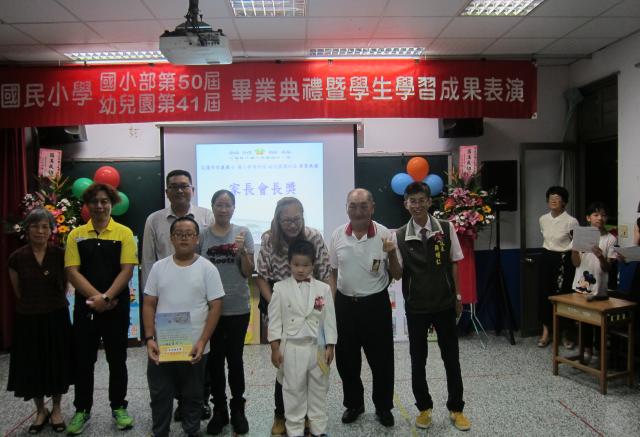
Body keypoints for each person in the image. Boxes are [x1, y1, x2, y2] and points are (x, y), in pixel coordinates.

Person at [395, 181, 471, 431]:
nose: (417, 205)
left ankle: (456, 408)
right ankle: (424, 408)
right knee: (418, 360)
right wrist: (389, 254)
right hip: (416, 307)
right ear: (405, 204)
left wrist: (457, 297)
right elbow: (397, 273)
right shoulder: (399, 235)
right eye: (412, 201)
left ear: (429, 202)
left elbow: (454, 263)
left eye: (421, 200)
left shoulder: (446, 228)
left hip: (444, 304)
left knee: (452, 359)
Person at [64, 183, 138, 435]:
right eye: (94, 201)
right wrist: (97, 299)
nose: (99, 206)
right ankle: (82, 409)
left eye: (104, 201)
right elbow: (72, 272)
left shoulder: (124, 233)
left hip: (117, 306)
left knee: (117, 360)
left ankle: (119, 407)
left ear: (112, 203)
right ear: (87, 205)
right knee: (84, 361)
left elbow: (127, 270)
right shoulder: (75, 235)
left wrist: (106, 298)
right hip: (86, 308)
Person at [255, 197, 331, 435]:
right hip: (280, 299)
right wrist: (276, 303)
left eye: (296, 219)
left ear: (303, 216)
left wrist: (326, 307)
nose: (292, 224)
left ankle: (309, 419)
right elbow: (261, 276)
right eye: (286, 220)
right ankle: (282, 416)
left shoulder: (314, 237)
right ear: (278, 219)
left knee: (314, 371)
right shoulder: (269, 240)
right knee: (285, 368)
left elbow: (326, 274)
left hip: (311, 305)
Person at [141, 169, 214, 420]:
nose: (180, 190)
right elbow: (148, 260)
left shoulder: (206, 216)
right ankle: (178, 403)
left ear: (192, 189)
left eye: (184, 186)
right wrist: (150, 299)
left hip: (196, 297)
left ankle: (198, 402)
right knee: (172, 355)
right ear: (167, 191)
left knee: (198, 355)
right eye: (174, 186)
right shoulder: (154, 220)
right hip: (166, 301)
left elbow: (209, 255)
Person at [143, 216, 224, 437]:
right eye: (179, 234)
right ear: (171, 239)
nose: (184, 238)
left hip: (195, 347)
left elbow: (216, 306)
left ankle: (192, 431)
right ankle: (160, 432)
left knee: (193, 395)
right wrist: (149, 338)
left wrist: (203, 341)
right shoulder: (159, 268)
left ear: (197, 238)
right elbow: (149, 303)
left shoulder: (207, 269)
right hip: (163, 346)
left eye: (189, 234)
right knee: (160, 394)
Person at [328, 188, 401, 427]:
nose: (358, 211)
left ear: (372, 208)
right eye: (353, 206)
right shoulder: (337, 234)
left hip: (375, 305)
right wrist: (332, 303)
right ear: (346, 208)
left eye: (363, 206)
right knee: (346, 360)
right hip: (345, 305)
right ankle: (354, 404)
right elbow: (333, 272)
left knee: (382, 360)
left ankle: (383, 406)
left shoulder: (385, 234)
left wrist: (391, 254)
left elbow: (397, 273)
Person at [7, 208, 73, 434]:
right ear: (27, 229)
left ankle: (56, 409)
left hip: (56, 316)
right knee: (33, 365)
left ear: (51, 230)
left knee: (56, 364)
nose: (40, 231)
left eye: (45, 226)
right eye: (35, 226)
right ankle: (40, 410)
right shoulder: (17, 258)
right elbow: (18, 291)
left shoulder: (60, 254)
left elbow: (65, 286)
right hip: (28, 319)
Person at [268, 239, 337, 437]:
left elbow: (329, 319)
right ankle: (295, 430)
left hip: (317, 347)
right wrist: (275, 348)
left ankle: (319, 430)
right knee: (293, 392)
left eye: (305, 265)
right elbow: (274, 321)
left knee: (318, 391)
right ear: (289, 263)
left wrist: (330, 346)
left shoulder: (323, 289)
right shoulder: (280, 288)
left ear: (313, 264)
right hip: (292, 348)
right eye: (296, 264)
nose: (300, 269)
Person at [200, 190, 254, 435]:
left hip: (237, 308)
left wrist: (242, 251)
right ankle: (219, 409)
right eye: (219, 205)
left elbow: (247, 272)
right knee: (214, 361)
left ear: (234, 208)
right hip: (209, 309)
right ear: (212, 207)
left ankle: (238, 408)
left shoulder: (243, 233)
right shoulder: (202, 235)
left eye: (228, 205)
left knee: (235, 360)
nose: (223, 209)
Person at [571, 202, 617, 363]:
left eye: (603, 215)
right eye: (596, 215)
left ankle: (599, 351)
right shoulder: (581, 235)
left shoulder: (610, 239)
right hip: (581, 285)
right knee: (584, 321)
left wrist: (600, 256)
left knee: (599, 322)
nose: (600, 218)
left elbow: (608, 268)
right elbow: (576, 263)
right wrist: (574, 250)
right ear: (588, 218)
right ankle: (586, 350)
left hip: (600, 287)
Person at [537, 186, 579, 348]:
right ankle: (546, 331)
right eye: (551, 197)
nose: (553, 200)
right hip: (546, 257)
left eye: (557, 198)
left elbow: (576, 244)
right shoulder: (543, 219)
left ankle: (565, 333)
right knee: (545, 295)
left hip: (563, 260)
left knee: (564, 295)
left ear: (564, 202)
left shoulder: (571, 221)